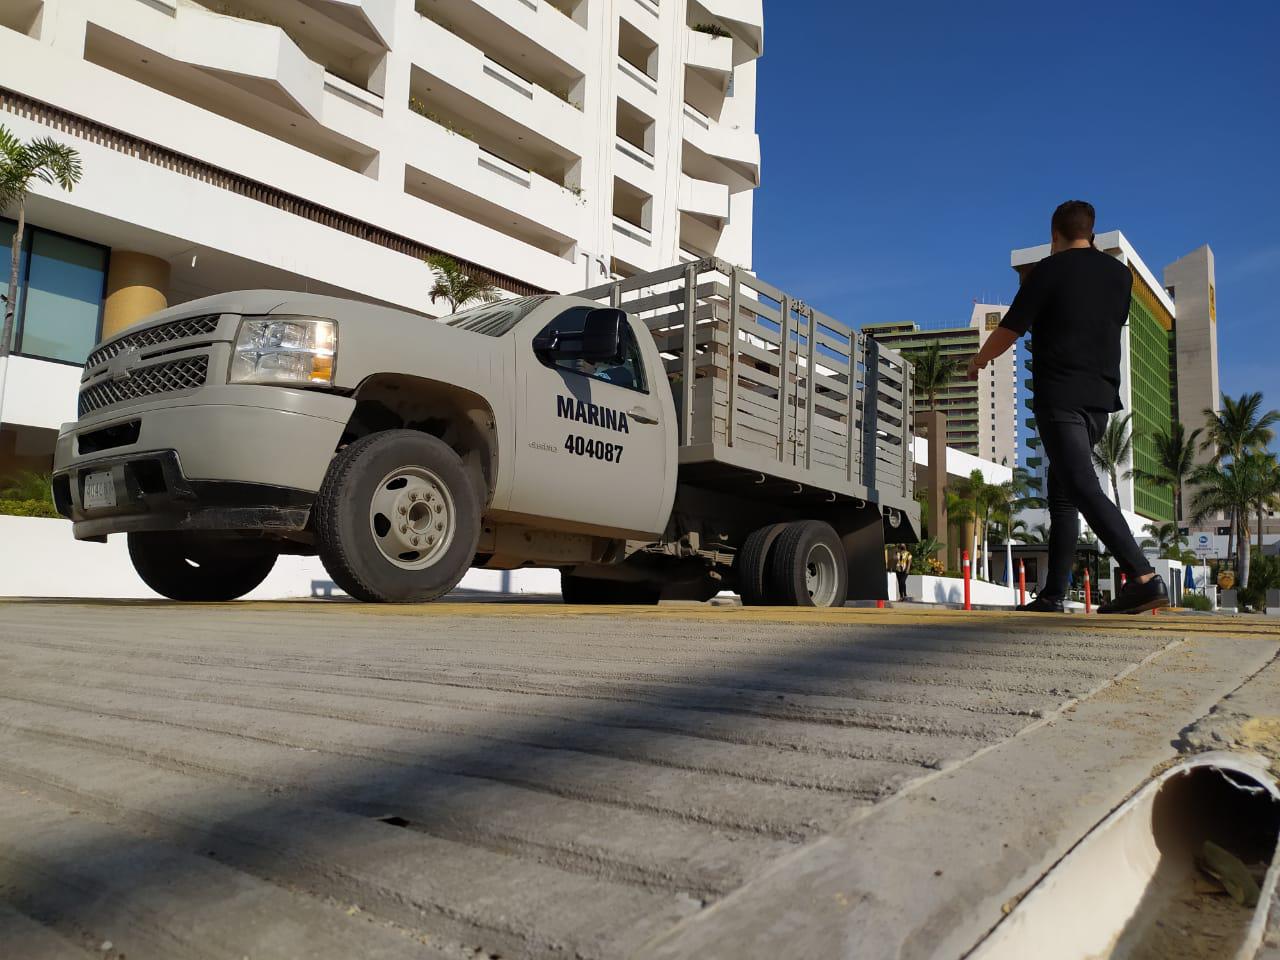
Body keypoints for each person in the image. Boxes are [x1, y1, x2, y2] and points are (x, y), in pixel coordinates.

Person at [966, 200, 1168, 615]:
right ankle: (1053, 594)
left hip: (1061, 395)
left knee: (1079, 486)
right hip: (1099, 400)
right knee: (1062, 495)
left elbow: (1011, 327)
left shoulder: (1048, 270)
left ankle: (1143, 577)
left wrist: (978, 360)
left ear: (1054, 235)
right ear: (1091, 234)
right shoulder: (1119, 275)